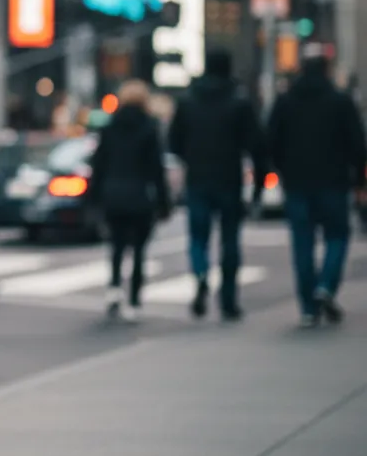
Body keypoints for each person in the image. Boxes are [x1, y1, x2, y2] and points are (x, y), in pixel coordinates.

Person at [267, 56, 367, 327]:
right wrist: (358, 182)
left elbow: (271, 141)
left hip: (297, 184)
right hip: (334, 182)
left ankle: (308, 307)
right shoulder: (340, 102)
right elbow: (358, 146)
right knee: (337, 236)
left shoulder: (285, 102)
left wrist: (284, 170)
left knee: (303, 244)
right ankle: (326, 285)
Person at [168, 49, 267, 321]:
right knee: (230, 241)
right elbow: (256, 147)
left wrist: (191, 155)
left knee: (198, 239)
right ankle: (228, 300)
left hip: (198, 178)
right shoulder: (239, 102)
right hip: (229, 180)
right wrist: (258, 187)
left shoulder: (188, 101)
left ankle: (200, 275)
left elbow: (173, 142)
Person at [87, 80, 171, 323]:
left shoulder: (109, 127)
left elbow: (98, 165)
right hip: (139, 196)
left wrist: (94, 198)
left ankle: (114, 287)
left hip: (112, 194)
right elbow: (157, 169)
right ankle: (134, 300)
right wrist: (163, 202)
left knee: (116, 245)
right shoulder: (149, 128)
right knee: (139, 252)